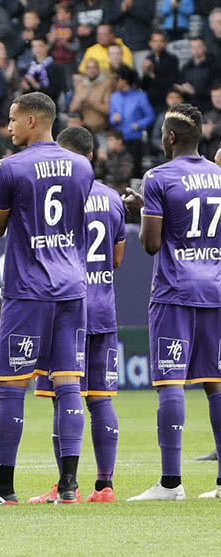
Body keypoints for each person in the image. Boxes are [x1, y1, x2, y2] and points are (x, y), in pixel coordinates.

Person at [0, 92, 93, 506]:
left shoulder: (10, 167)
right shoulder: (83, 167)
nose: (8, 126)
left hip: (28, 289)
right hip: (72, 286)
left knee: (11, 389)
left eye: (13, 119)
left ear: (33, 120)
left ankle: (3, 487)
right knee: (68, 382)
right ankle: (68, 486)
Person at [120, 103, 221, 501]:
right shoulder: (219, 177)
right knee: (216, 383)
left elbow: (151, 243)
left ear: (172, 138)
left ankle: (170, 483)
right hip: (215, 287)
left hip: (176, 290)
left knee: (171, 382)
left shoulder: (158, 177)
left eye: (163, 134)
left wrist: (142, 208)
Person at [26, 127, 125, 505]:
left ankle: (66, 484)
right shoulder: (112, 199)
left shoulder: (64, 195)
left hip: (68, 306)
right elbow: (116, 259)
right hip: (104, 308)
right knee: (101, 398)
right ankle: (106, 487)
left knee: (61, 395)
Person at [109, 67, 154, 178]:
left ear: (125, 80)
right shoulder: (114, 97)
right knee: (117, 171)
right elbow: (110, 117)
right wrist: (113, 119)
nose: (115, 82)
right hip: (119, 140)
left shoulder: (139, 96)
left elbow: (150, 116)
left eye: (117, 79)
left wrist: (138, 125)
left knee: (135, 170)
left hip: (134, 139)